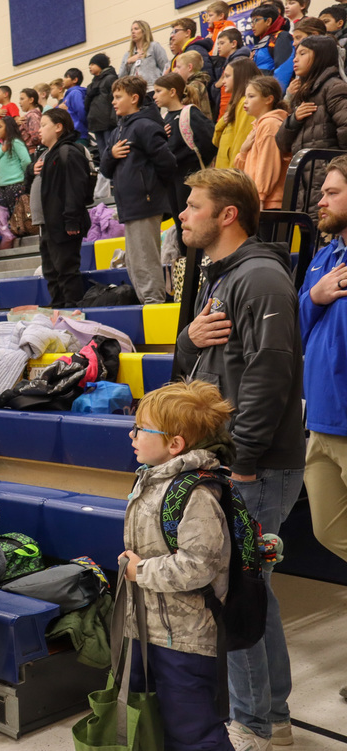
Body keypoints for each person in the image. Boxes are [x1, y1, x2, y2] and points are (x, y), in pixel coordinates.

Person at [175, 168, 305, 751]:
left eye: (193, 206)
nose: (183, 215)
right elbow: (198, 362)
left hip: (258, 464)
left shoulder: (259, 278)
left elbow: (269, 375)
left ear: (228, 215)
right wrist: (186, 340)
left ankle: (254, 725)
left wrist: (244, 461)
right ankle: (271, 715)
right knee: (255, 592)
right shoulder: (220, 276)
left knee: (239, 593)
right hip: (234, 459)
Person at [119, 380, 236, 751]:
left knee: (195, 732)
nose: (132, 433)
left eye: (141, 428)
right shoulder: (150, 480)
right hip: (146, 629)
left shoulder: (196, 494)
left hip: (185, 639)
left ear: (175, 444)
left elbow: (199, 565)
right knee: (154, 723)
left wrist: (141, 572)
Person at [298, 159, 347, 699]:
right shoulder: (323, 257)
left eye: (332, 192)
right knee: (327, 530)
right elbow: (294, 323)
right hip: (322, 424)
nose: (321, 199)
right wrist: (314, 297)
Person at [100, 76, 177, 305]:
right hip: (129, 206)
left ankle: (155, 303)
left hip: (145, 203)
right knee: (134, 261)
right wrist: (110, 154)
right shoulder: (118, 130)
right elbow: (105, 170)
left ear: (134, 98)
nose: (113, 102)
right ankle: (148, 301)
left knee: (145, 259)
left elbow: (168, 163)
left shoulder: (144, 126)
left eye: (118, 97)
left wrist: (150, 188)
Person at [275, 35, 347, 219]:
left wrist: (335, 169)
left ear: (320, 56)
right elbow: (282, 144)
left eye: (302, 53)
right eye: (295, 54)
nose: (295, 59)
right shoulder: (304, 95)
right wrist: (293, 120)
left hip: (328, 183)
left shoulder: (334, 87)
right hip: (305, 186)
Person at [154, 73, 219, 257]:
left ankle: (201, 267)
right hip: (172, 180)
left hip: (190, 177)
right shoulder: (164, 119)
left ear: (173, 92)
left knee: (195, 225)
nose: (154, 96)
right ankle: (189, 269)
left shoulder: (189, 112)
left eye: (159, 91)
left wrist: (194, 164)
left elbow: (211, 140)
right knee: (182, 226)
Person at [36, 109, 93, 308]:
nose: (39, 130)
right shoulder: (48, 155)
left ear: (58, 127)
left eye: (44, 125)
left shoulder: (68, 151)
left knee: (66, 271)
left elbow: (75, 189)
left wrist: (71, 219)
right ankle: (58, 309)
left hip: (64, 224)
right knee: (51, 272)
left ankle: (72, 312)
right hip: (49, 224)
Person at [234, 76, 292, 209]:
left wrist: (260, 196)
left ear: (269, 99)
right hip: (256, 199)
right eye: (245, 96)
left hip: (269, 203)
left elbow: (268, 164)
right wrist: (243, 152)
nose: (245, 101)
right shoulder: (258, 126)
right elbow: (241, 171)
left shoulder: (270, 125)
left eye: (251, 96)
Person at [214, 58, 261, 169]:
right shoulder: (235, 103)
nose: (223, 81)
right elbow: (216, 141)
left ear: (240, 77)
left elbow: (240, 144)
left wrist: (232, 177)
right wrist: (222, 122)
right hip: (224, 173)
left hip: (231, 177)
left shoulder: (245, 104)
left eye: (227, 76)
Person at [0, 116, 32, 209]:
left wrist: (22, 174)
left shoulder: (15, 142)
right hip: (2, 186)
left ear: (8, 127)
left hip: (15, 185)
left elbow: (26, 160)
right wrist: (2, 150)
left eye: (0, 127)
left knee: (17, 215)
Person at [249, 3, 295, 88]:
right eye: (251, 21)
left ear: (268, 21)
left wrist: (277, 96)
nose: (252, 25)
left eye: (256, 20)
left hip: (271, 94)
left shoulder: (281, 37)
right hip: (259, 92)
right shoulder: (261, 41)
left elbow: (283, 70)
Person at [86, 54, 118, 163]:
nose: (90, 67)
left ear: (101, 64)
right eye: (89, 65)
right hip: (96, 122)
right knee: (102, 153)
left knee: (110, 150)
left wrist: (114, 119)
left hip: (108, 122)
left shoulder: (110, 78)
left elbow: (115, 98)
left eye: (93, 64)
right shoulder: (92, 83)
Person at [212, 27, 250, 120]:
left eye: (222, 43)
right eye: (218, 44)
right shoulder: (226, 63)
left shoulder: (240, 63)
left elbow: (237, 90)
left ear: (233, 44)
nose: (219, 47)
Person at [119, 20, 170, 87]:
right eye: (132, 30)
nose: (133, 32)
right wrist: (128, 62)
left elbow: (165, 67)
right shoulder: (127, 55)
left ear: (144, 31)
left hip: (152, 88)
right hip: (134, 91)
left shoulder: (154, 46)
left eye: (136, 29)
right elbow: (121, 78)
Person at [58, 68, 89, 142]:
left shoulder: (75, 93)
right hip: (71, 134)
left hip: (78, 134)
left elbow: (81, 111)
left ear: (75, 80)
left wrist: (66, 111)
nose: (64, 80)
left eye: (67, 77)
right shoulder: (68, 95)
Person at [16, 88, 43, 154]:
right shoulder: (29, 115)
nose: (19, 102)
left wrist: (26, 144)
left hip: (32, 152)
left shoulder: (32, 115)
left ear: (31, 100)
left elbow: (36, 137)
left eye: (22, 99)